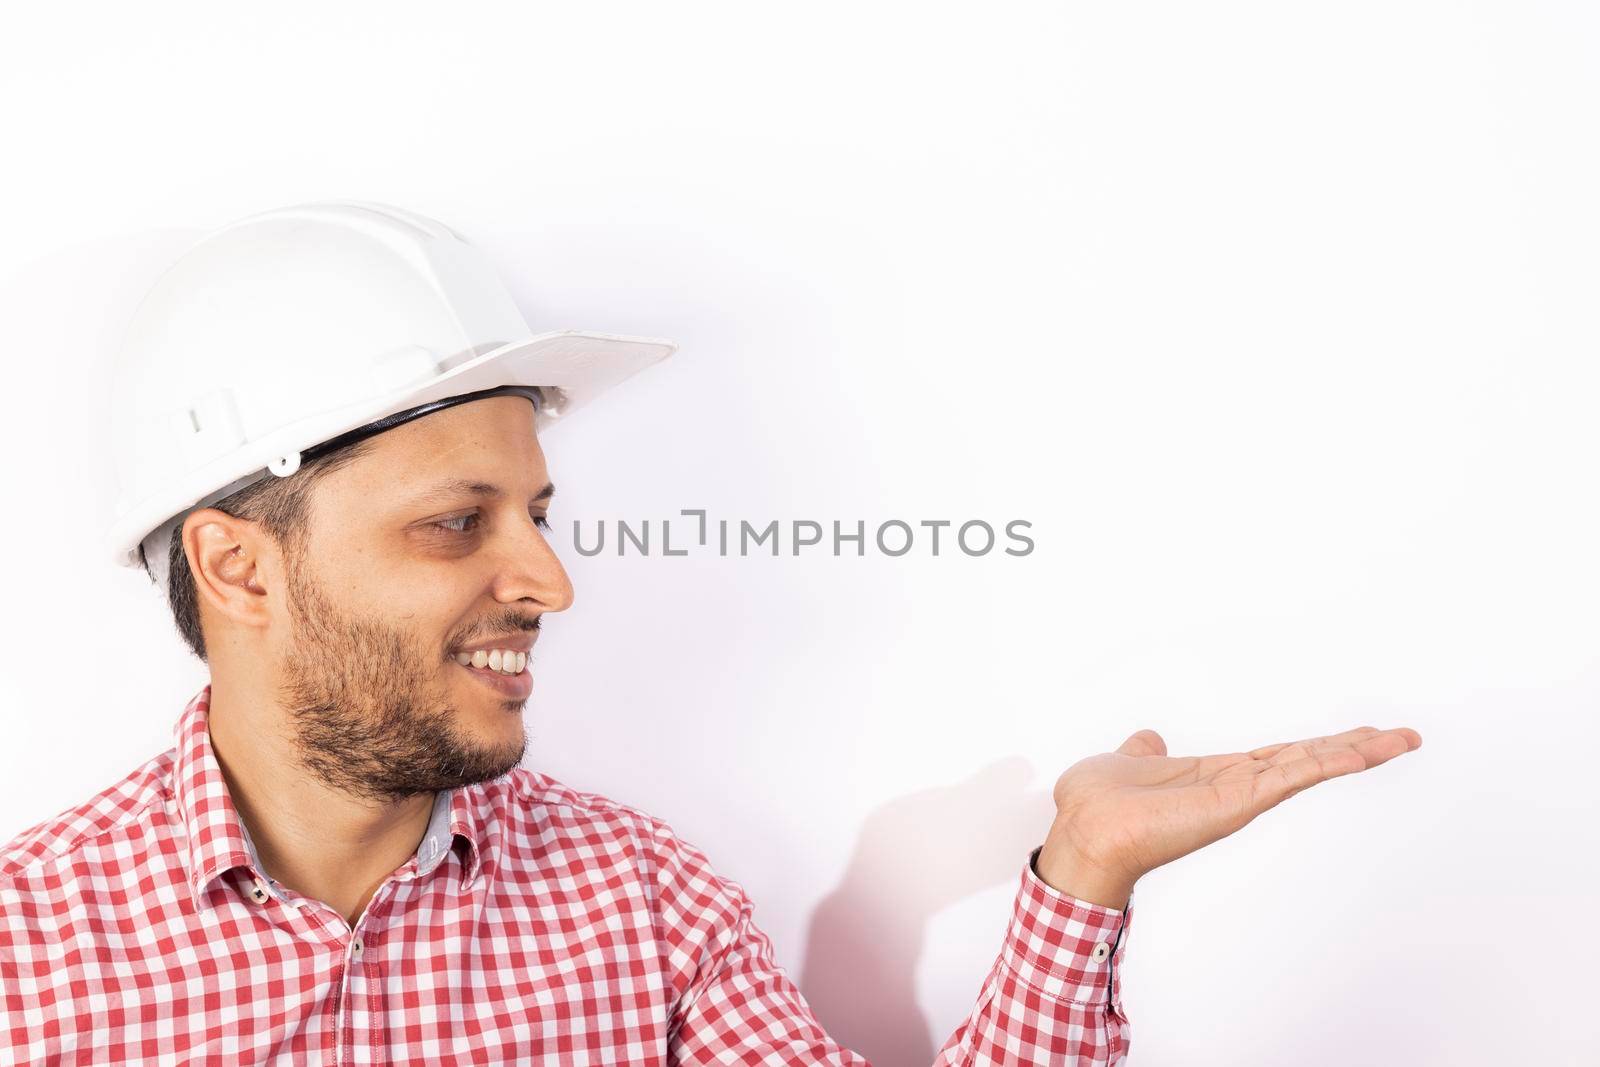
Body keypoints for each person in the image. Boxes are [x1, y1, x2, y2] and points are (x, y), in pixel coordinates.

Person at [0, 202, 1422, 1065]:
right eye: (457, 522)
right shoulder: (24, 960)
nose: (550, 583)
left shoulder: (643, 906)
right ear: (237, 569)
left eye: (539, 515)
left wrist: (1082, 879)